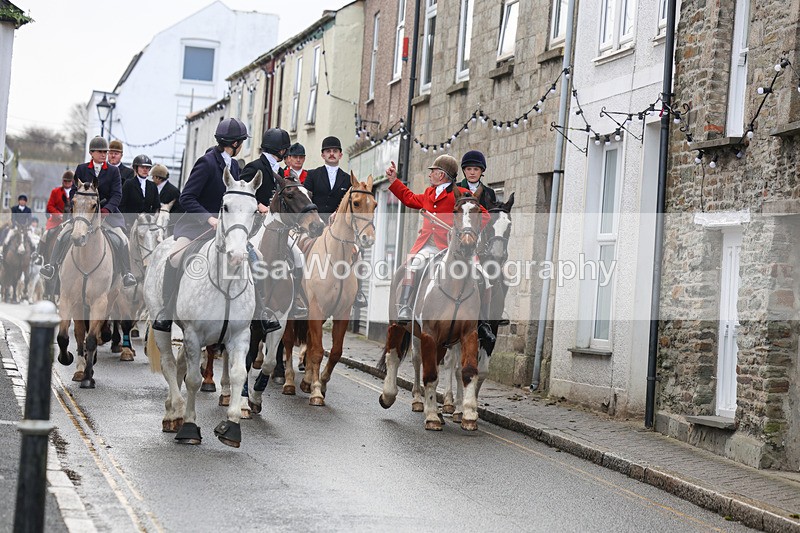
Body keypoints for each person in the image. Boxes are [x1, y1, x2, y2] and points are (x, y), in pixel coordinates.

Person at [386, 154, 495, 348]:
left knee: (485, 278)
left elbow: (483, 215)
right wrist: (394, 181)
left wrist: (465, 230)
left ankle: (483, 323)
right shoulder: (429, 193)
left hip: (451, 248)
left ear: (442, 174)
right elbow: (409, 199)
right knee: (412, 265)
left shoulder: (460, 193)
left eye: (433, 171)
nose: (430, 175)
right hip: (427, 245)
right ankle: (404, 307)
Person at [152, 118, 249, 332]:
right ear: (235, 144)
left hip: (226, 231)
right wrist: (208, 218)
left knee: (252, 257)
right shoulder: (207, 163)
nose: (242, 145)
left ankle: (256, 310)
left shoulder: (234, 166)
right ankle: (166, 310)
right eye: (242, 142)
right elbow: (187, 197)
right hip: (196, 227)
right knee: (175, 257)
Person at [40, 136, 137, 288]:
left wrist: (106, 209)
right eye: (100, 152)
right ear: (91, 153)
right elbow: (73, 191)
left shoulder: (113, 171)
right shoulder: (82, 169)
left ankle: (126, 273)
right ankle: (51, 266)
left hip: (107, 213)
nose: (104, 154)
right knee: (63, 233)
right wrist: (79, 205)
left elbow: (117, 194)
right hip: (83, 213)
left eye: (105, 152)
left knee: (122, 238)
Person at [239, 128, 308, 324]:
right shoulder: (253, 167)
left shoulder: (282, 172)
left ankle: (296, 300)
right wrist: (259, 205)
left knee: (299, 256)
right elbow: (241, 195)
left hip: (278, 229)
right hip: (254, 227)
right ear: (281, 150)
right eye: (286, 150)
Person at [304, 136, 367, 308]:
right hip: (315, 227)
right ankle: (297, 290)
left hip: (337, 229)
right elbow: (306, 200)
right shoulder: (313, 175)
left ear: (340, 155)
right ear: (323, 155)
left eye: (335, 151)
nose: (331, 154)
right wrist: (315, 217)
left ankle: (358, 293)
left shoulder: (347, 179)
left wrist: (337, 214)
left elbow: (349, 205)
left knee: (358, 254)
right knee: (298, 251)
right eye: (328, 151)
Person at [32, 171, 76, 265]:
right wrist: (58, 214)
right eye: (65, 181)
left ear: (72, 181)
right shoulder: (55, 191)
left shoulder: (76, 193)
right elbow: (50, 206)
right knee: (46, 234)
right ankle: (39, 255)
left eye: (69, 181)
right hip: (56, 221)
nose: (67, 183)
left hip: (71, 221)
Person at [119, 154, 160, 229]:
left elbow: (156, 206)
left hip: (146, 224)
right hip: (130, 224)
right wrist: (127, 221)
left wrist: (150, 219)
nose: (145, 170)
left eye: (147, 168)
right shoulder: (129, 183)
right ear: (136, 168)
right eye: (142, 167)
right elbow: (122, 205)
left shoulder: (153, 186)